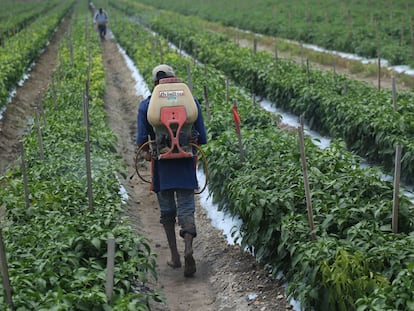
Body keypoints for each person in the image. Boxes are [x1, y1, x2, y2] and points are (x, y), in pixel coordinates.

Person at [136, 64, 207, 277]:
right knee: (186, 208)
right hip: (185, 165)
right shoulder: (190, 102)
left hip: (162, 166)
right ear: (174, 78)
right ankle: (188, 249)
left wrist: (149, 150)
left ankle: (175, 257)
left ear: (155, 83)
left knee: (167, 211)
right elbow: (201, 137)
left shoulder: (147, 106)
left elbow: (141, 140)